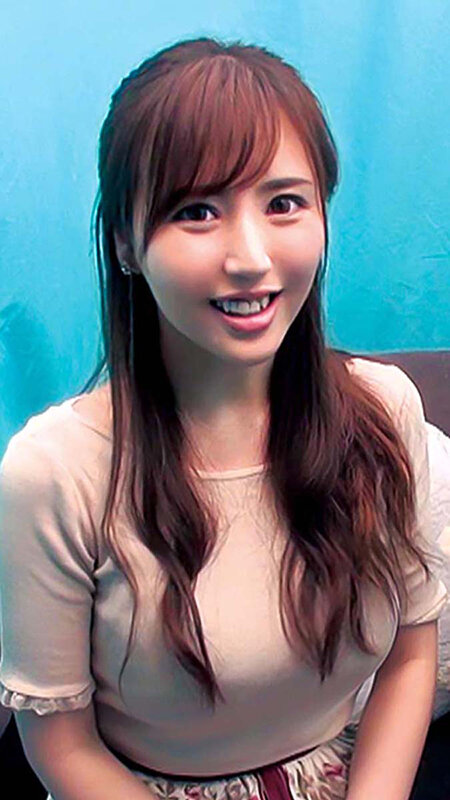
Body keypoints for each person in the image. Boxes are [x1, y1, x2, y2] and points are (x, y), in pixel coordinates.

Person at [0, 36, 447, 800]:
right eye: (197, 211)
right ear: (125, 242)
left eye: (284, 203)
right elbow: (61, 744)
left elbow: (412, 650)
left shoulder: (383, 411)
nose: (250, 257)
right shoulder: (55, 473)